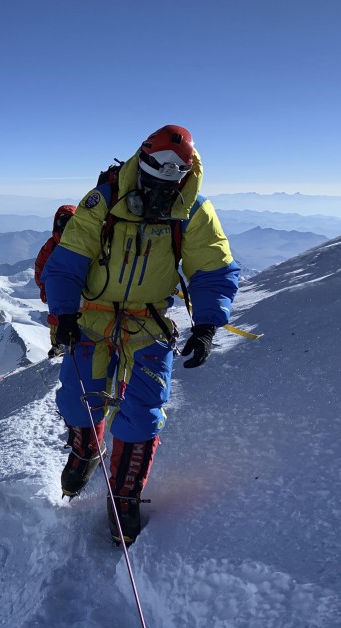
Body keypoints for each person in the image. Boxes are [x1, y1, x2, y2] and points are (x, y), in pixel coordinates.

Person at [41, 124, 240, 545]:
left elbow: (213, 268)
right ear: (142, 158)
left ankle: (124, 494)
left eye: (175, 168)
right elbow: (68, 259)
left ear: (187, 170)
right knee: (79, 400)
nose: (165, 174)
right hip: (93, 317)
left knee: (143, 413)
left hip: (148, 323)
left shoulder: (193, 211)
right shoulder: (104, 201)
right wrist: (65, 313)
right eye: (158, 165)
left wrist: (206, 324)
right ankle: (86, 450)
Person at [34, 204, 76, 357]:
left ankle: (65, 343)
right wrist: (43, 286)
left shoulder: (51, 245)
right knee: (57, 315)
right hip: (61, 286)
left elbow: (39, 266)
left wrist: (43, 286)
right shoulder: (51, 246)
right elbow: (40, 266)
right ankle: (58, 344)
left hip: (72, 285)